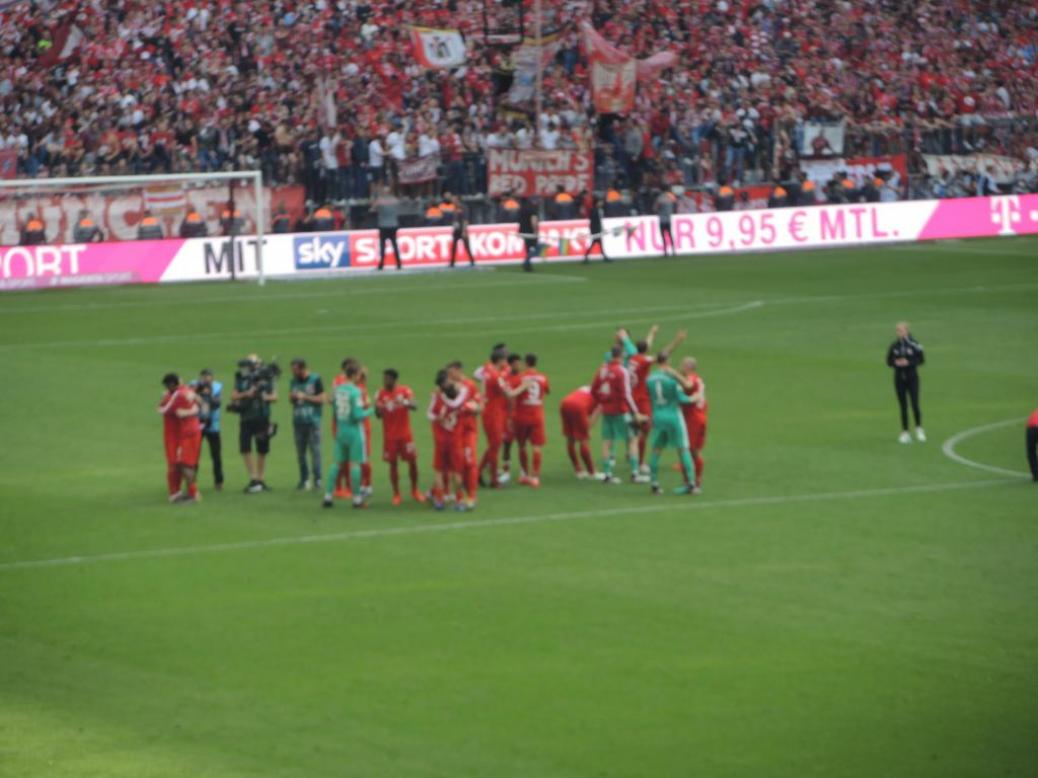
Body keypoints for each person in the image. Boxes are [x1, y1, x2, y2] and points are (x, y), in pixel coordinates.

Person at [591, 345, 647, 484]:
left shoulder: (602, 369)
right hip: (620, 411)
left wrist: (603, 402)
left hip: (607, 410)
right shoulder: (622, 371)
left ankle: (608, 475)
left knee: (607, 441)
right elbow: (626, 394)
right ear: (621, 356)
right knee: (633, 438)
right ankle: (635, 474)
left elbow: (593, 390)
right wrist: (636, 413)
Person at [645, 354, 698, 495]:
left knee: (656, 450)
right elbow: (682, 399)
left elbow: (648, 396)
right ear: (667, 361)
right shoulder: (671, 380)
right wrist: (694, 398)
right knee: (683, 450)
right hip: (674, 417)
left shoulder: (649, 378)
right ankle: (692, 484)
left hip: (658, 417)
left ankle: (654, 484)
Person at [323, 361, 373, 509]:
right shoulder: (356, 391)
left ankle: (328, 496)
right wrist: (371, 411)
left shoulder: (338, 389)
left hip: (340, 429)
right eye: (358, 374)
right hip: (353, 431)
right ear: (354, 375)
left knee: (336, 464)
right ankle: (357, 499)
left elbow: (333, 404)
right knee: (355, 464)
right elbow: (358, 415)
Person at [375, 368, 425, 505]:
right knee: (393, 464)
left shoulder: (404, 391)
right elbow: (377, 415)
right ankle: (396, 493)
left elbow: (415, 405)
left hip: (405, 435)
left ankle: (415, 490)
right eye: (383, 379)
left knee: (413, 462)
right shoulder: (380, 394)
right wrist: (378, 408)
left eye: (387, 379)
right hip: (390, 436)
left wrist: (406, 402)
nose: (384, 381)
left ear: (394, 380)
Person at [231, 354, 278, 493]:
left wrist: (264, 396)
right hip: (246, 417)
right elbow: (233, 396)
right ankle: (253, 478)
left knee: (262, 449)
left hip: (262, 416)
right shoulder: (240, 378)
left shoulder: (267, 378)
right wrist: (247, 394)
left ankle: (261, 479)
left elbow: (275, 397)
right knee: (245, 448)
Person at [157, 373, 203, 504]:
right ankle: (178, 493)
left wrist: (189, 411)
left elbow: (162, 409)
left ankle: (193, 494)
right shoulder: (185, 391)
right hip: (182, 434)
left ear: (172, 384)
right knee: (178, 464)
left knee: (184, 464)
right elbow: (199, 401)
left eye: (167, 385)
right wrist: (194, 409)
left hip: (186, 434)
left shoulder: (178, 394)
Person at [508, 353, 550, 488]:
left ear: (526, 363)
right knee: (537, 447)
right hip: (537, 415)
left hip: (521, 415)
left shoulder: (519, 378)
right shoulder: (543, 378)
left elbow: (512, 396)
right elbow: (546, 391)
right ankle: (535, 477)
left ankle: (525, 475)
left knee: (521, 446)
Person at [444, 360, 482, 506]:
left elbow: (479, 406)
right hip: (453, 431)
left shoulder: (470, 385)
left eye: (450, 372)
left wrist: (470, 407)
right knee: (456, 464)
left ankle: (472, 495)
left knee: (470, 461)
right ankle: (459, 495)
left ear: (458, 370)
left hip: (468, 430)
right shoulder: (447, 387)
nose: (449, 375)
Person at [627, 326, 660, 475]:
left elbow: (647, 346)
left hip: (631, 398)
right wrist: (676, 342)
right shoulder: (644, 360)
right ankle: (640, 462)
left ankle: (632, 453)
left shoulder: (633, 358)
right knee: (645, 428)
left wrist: (651, 333)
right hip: (642, 399)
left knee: (634, 429)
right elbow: (660, 357)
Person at [474, 346, 509, 487]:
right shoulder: (495, 376)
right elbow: (508, 394)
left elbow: (477, 374)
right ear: (499, 360)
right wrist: (524, 386)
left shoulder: (487, 369)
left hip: (491, 411)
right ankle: (494, 480)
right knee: (495, 446)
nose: (506, 362)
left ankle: (477, 473)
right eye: (505, 359)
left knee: (494, 445)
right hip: (494, 413)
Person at [289, 358, 325, 490]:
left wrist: (304, 396)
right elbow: (290, 397)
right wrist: (293, 397)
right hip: (298, 421)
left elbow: (322, 399)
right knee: (300, 452)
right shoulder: (293, 381)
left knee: (315, 451)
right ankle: (304, 479)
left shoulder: (315, 379)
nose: (293, 373)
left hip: (313, 422)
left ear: (302, 369)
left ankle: (318, 479)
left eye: (295, 370)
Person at [886, 322, 925, 443]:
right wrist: (896, 363)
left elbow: (921, 359)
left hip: (912, 378)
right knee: (903, 406)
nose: (900, 333)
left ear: (907, 331)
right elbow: (888, 361)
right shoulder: (894, 346)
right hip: (899, 379)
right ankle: (905, 432)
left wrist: (908, 363)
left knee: (914, 404)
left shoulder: (914, 344)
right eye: (898, 331)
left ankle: (919, 429)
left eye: (902, 331)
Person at [677, 357, 708, 492]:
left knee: (688, 451)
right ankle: (694, 482)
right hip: (700, 417)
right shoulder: (698, 379)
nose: (680, 366)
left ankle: (691, 483)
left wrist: (672, 374)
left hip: (692, 419)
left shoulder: (691, 380)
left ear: (688, 367)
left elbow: (687, 387)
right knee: (693, 451)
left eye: (682, 364)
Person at [192, 368, 224, 491]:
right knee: (194, 454)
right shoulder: (195, 387)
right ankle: (192, 481)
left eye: (208, 377)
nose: (206, 379)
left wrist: (207, 395)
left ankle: (219, 481)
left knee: (216, 455)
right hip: (198, 425)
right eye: (204, 377)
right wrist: (198, 393)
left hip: (213, 426)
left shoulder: (216, 388)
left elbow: (217, 404)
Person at [560, 385, 600, 479]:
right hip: (578, 406)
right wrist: (587, 430)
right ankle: (592, 472)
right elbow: (593, 417)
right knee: (583, 440)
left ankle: (578, 470)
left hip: (565, 403)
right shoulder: (601, 397)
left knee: (570, 439)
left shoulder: (586, 387)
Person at [372, 183, 402, 270]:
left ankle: (381, 264)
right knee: (395, 245)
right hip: (393, 224)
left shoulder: (380, 201)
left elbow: (373, 209)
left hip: (383, 225)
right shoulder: (395, 200)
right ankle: (398, 263)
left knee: (382, 246)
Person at [447, 194, 474, 268]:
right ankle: (452, 263)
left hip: (462, 230)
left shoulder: (463, 207)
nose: (452, 200)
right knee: (453, 247)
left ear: (457, 199)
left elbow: (465, 220)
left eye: (454, 199)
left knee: (467, 247)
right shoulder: (454, 208)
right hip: (456, 230)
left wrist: (464, 231)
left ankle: (472, 261)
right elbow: (455, 219)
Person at [583, 195, 610, 263]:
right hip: (595, 231)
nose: (601, 203)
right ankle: (604, 257)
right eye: (600, 202)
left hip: (597, 230)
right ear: (597, 203)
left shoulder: (596, 210)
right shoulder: (594, 210)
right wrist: (594, 231)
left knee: (597, 244)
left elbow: (598, 222)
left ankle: (587, 257)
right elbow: (593, 222)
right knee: (597, 244)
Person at [519, 197, 539, 272]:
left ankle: (527, 263)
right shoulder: (533, 210)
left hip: (523, 231)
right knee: (533, 248)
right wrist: (535, 231)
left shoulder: (523, 209)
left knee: (528, 248)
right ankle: (526, 262)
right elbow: (533, 221)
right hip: (530, 232)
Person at [655, 189, 676, 257]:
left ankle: (665, 252)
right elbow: (674, 206)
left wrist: (657, 209)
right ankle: (673, 250)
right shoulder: (670, 198)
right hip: (668, 219)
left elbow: (656, 208)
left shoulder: (660, 199)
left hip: (662, 220)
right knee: (670, 235)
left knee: (663, 236)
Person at [1027, 409, 1038, 482]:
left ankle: (1036, 474)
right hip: (1032, 425)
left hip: (1031, 427)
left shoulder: (1035, 412)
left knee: (1031, 451)